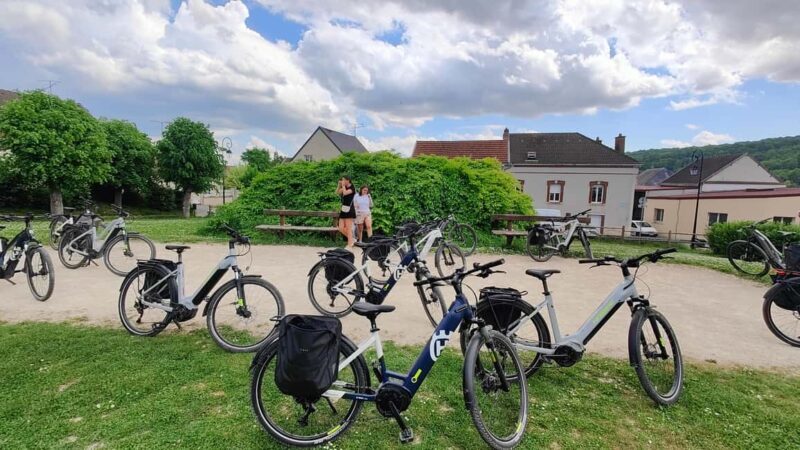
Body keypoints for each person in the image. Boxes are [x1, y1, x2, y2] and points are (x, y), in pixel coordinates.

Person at [336, 175, 356, 248]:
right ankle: (352, 239)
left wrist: (343, 186)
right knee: (340, 228)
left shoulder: (352, 188)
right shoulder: (344, 187)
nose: (343, 181)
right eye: (342, 180)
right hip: (343, 209)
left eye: (344, 180)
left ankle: (350, 244)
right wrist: (339, 185)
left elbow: (345, 193)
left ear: (348, 180)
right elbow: (337, 192)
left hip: (350, 209)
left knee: (348, 227)